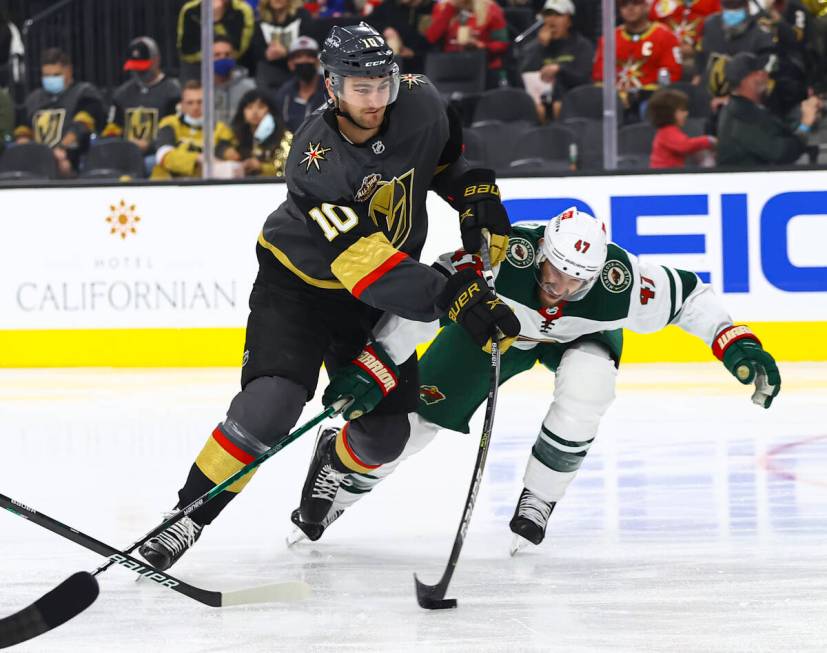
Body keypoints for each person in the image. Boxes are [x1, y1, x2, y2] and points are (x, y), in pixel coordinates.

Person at [138, 23, 518, 571]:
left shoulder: (420, 100)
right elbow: (363, 264)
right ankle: (186, 518)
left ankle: (330, 462)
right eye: (360, 87)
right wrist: (453, 295)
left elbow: (445, 156)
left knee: (386, 437)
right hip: (301, 288)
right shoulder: (312, 159)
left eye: (383, 84)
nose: (375, 99)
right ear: (331, 87)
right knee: (271, 407)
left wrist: (474, 192)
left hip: (374, 291)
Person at [286, 207, 781, 552]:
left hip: (578, 338)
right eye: (555, 272)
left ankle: (540, 498)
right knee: (412, 427)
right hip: (495, 330)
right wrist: (377, 365)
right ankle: (341, 482)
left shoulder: (621, 283)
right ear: (541, 248)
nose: (560, 288)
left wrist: (736, 342)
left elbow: (692, 297)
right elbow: (429, 302)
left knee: (589, 388)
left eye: (576, 281)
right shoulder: (500, 254)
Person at [14, 47, 106, 178]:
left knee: (62, 164)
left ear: (68, 71)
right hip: (37, 161)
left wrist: (61, 149)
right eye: (46, 76)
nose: (50, 79)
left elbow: (81, 125)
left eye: (56, 75)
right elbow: (22, 129)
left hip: (71, 158)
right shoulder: (33, 99)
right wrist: (25, 148)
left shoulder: (84, 93)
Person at [716, 51, 821, 166]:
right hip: (747, 182)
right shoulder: (740, 117)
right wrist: (804, 125)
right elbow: (782, 153)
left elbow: (780, 133)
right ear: (746, 81)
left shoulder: (747, 108)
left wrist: (804, 114)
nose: (765, 74)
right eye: (759, 72)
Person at [592, 0, 682, 119]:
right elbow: (599, 75)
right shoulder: (609, 38)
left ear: (646, 6)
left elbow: (672, 75)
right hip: (615, 98)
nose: (630, 8)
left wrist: (642, 92)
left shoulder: (665, 36)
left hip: (651, 99)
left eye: (636, 3)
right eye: (624, 5)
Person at [102, 37, 181, 161]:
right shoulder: (121, 94)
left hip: (159, 154)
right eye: (135, 67)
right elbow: (113, 128)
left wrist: (151, 145)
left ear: (156, 60)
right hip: (125, 153)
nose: (139, 72)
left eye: (143, 67)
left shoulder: (174, 92)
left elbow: (178, 129)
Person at [519, 0, 595, 121]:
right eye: (548, 15)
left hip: (574, 102)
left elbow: (584, 77)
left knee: (559, 106)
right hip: (540, 104)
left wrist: (560, 70)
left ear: (569, 20)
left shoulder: (582, 45)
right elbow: (525, 75)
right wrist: (540, 47)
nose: (552, 21)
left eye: (558, 15)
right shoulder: (533, 47)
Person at [150, 80, 234, 179]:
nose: (195, 107)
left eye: (200, 102)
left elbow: (227, 159)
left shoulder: (221, 129)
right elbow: (164, 157)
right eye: (190, 103)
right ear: (182, 105)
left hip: (205, 185)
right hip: (166, 184)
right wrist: (197, 158)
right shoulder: (169, 123)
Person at [695, 0, 774, 102]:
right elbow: (700, 54)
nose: (732, 12)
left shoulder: (761, 32)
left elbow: (768, 65)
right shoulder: (710, 24)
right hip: (708, 91)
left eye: (736, 7)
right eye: (728, 7)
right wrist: (697, 75)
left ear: (747, 8)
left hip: (744, 96)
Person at [425, 0, 511, 88]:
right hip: (449, 67)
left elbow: (502, 44)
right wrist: (449, 9)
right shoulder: (442, 7)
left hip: (483, 66)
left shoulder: (491, 8)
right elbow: (432, 38)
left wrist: (481, 46)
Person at [218, 87, 293, 176]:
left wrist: (261, 167)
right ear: (242, 112)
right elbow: (219, 147)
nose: (254, 112)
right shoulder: (234, 133)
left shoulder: (285, 137)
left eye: (261, 107)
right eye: (249, 107)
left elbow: (286, 170)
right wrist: (225, 151)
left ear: (271, 111)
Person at [177, 0, 256, 81]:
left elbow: (239, 48)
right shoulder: (190, 10)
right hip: (196, 67)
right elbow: (185, 50)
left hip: (232, 65)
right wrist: (211, 56)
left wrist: (218, 20)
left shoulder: (242, 10)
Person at [249, 0, 313, 91]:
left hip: (297, 67)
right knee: (262, 67)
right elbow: (255, 50)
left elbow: (309, 42)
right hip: (270, 69)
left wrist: (286, 52)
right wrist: (265, 54)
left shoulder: (302, 15)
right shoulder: (260, 20)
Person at [649, 0, 721, 77]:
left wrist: (695, 48)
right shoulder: (660, 3)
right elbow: (650, 31)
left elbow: (719, 33)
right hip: (665, 59)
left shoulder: (713, 3)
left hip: (700, 59)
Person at [647, 88, 716, 167]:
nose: (686, 113)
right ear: (668, 113)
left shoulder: (667, 131)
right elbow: (685, 145)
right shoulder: (668, 132)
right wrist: (709, 140)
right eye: (682, 110)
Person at [272, 36, 327, 133]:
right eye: (298, 57)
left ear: (318, 62)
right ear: (291, 64)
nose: (304, 60)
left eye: (309, 56)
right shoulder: (284, 95)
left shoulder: (331, 91)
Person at [368, 0, 435, 74]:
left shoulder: (433, 8)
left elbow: (434, 44)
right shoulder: (390, 5)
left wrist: (414, 54)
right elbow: (369, 21)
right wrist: (384, 29)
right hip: (392, 64)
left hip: (422, 67)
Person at [212, 34, 257, 125]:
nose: (223, 58)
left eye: (227, 54)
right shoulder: (201, 90)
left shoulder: (249, 89)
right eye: (217, 55)